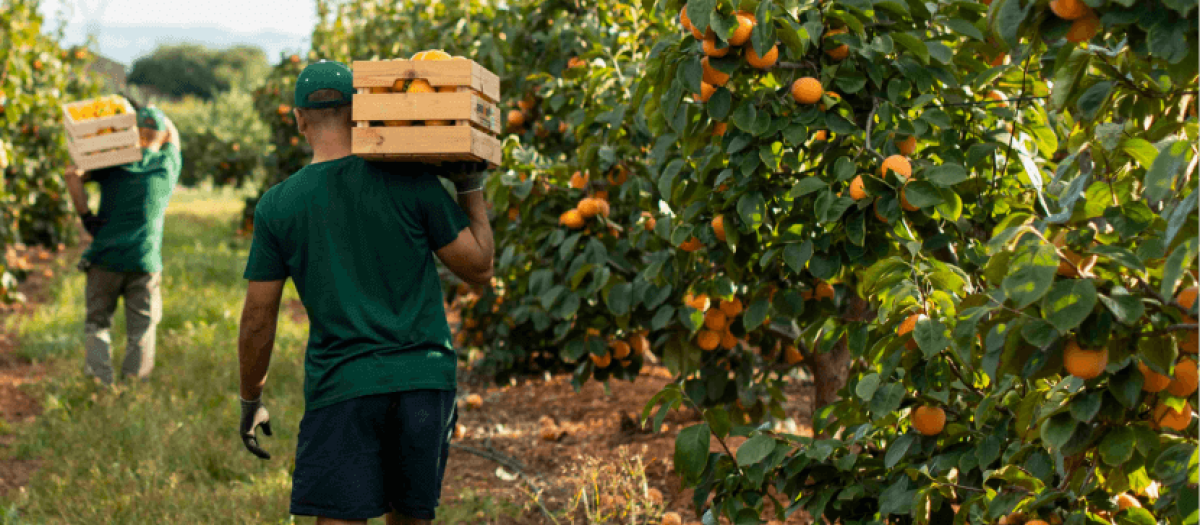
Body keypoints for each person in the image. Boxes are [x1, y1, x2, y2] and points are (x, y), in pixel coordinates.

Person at [236, 60, 494, 525]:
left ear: (298, 120)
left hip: (343, 386)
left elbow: (258, 317)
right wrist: (469, 183)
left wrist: (250, 399)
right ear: (362, 112)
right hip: (424, 382)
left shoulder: (279, 205)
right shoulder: (414, 181)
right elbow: (478, 267)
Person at [63, 106, 182, 385]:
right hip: (144, 261)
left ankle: (99, 383)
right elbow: (174, 136)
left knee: (97, 324)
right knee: (142, 329)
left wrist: (86, 216)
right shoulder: (167, 164)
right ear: (161, 135)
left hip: (105, 257)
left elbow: (72, 175)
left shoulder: (112, 162)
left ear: (132, 132)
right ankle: (133, 388)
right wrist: (163, 123)